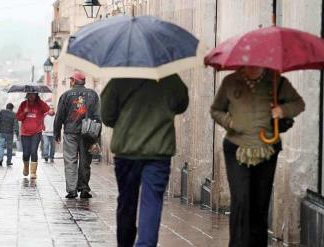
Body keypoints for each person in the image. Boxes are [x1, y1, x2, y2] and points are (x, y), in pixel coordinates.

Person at [210, 66, 305, 247]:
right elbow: (216, 110)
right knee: (241, 200)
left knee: (259, 203)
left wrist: (282, 110)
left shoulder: (277, 81)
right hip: (237, 149)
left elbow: (298, 103)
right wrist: (230, 121)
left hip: (267, 149)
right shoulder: (230, 81)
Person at [101, 74, 189, 247]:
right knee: (152, 200)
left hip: (127, 150)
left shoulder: (118, 81)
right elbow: (181, 104)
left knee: (127, 201)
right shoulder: (171, 78)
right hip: (158, 150)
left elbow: (107, 116)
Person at [54, 71, 101, 199]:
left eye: (71, 80)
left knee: (70, 160)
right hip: (88, 132)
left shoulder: (66, 95)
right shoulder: (93, 94)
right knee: (85, 161)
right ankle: (84, 188)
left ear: (74, 81)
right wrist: (97, 135)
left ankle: (72, 190)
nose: (70, 82)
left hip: (70, 132)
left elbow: (59, 116)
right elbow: (98, 116)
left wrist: (56, 132)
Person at [16, 93, 49, 179]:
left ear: (36, 95)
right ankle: (26, 166)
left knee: (34, 151)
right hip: (25, 133)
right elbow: (18, 117)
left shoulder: (39, 104)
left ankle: (33, 172)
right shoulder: (23, 104)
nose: (32, 96)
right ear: (27, 95)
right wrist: (24, 112)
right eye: (30, 94)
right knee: (26, 153)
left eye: (34, 94)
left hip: (36, 132)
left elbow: (47, 109)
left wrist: (39, 100)